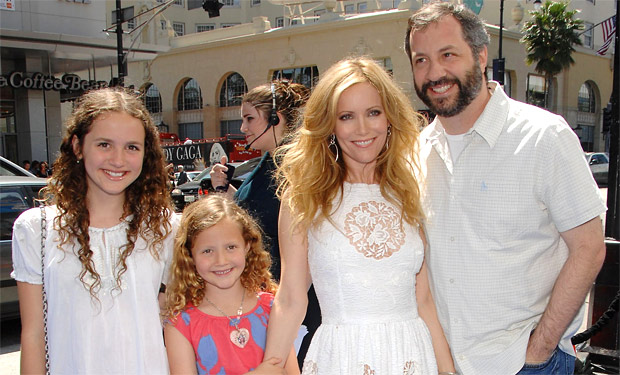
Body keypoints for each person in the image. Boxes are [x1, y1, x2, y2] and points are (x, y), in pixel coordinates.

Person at [405, 3, 607, 374]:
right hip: (442, 364)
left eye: (448, 55)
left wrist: (539, 350)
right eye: (421, 60)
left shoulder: (544, 136)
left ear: (481, 56)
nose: (435, 73)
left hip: (525, 363)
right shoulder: (415, 154)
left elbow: (590, 248)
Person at [264, 57, 455, 374]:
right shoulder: (304, 198)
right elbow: (291, 299)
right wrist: (270, 367)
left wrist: (448, 371)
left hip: (412, 355)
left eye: (373, 112)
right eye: (347, 116)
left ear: (389, 117)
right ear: (330, 125)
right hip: (344, 358)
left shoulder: (410, 189)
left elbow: (423, 301)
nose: (363, 128)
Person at [12, 87, 180, 374]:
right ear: (78, 146)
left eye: (132, 147)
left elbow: (179, 324)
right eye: (104, 144)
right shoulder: (35, 229)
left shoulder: (166, 227)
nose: (118, 159)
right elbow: (33, 335)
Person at [210, 80, 321, 365]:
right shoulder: (268, 161)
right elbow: (258, 213)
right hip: (267, 296)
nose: (243, 128)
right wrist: (227, 192)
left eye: (249, 118)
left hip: (294, 302)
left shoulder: (297, 166)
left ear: (276, 119)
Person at [163, 195, 298, 375]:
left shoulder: (273, 309)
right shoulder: (180, 325)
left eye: (231, 247)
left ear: (247, 246)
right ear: (189, 255)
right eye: (207, 251)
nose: (221, 260)